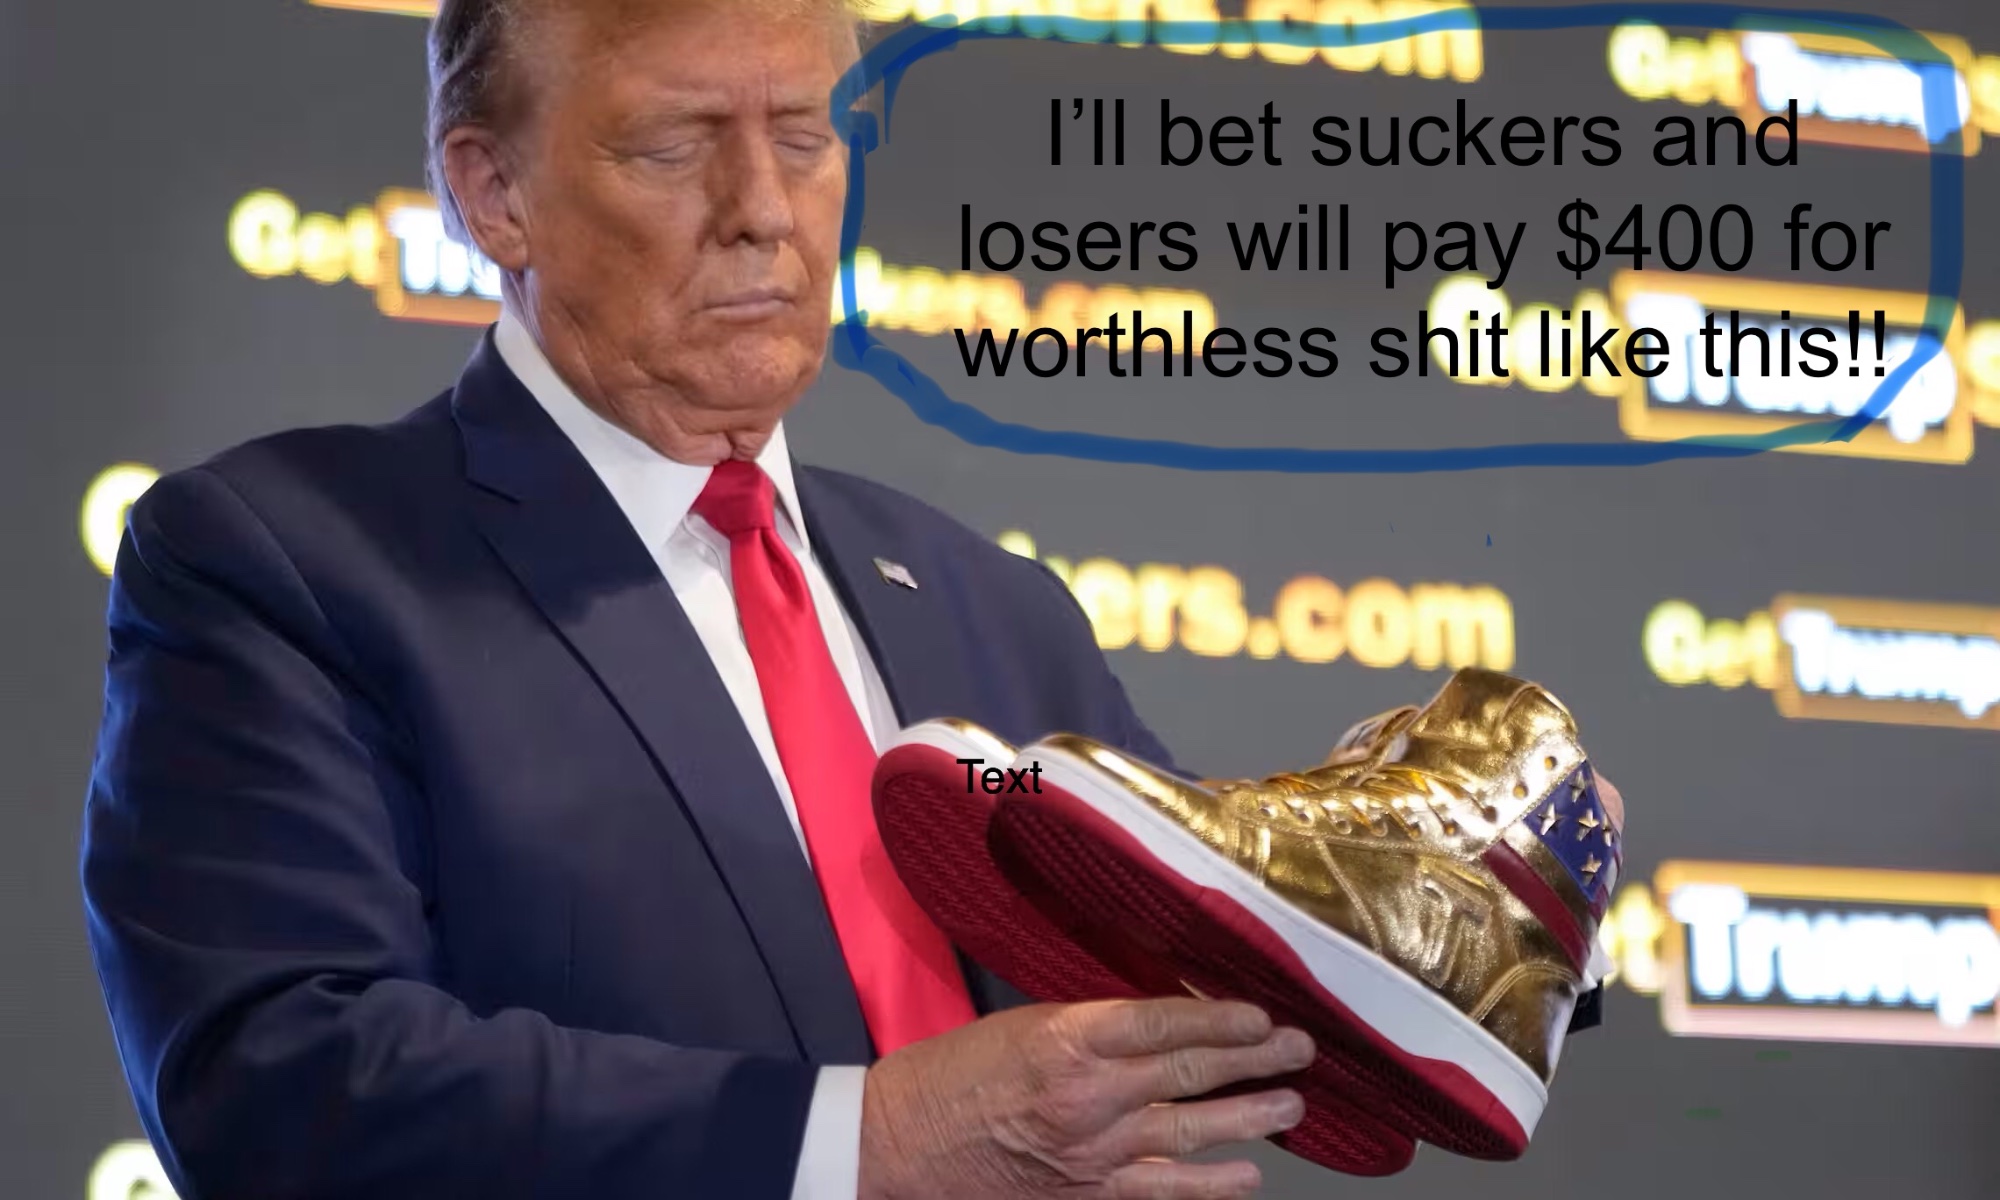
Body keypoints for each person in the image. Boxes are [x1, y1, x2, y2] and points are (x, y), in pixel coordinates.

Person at [80, 2, 1316, 1197]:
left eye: (805, 138)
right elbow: (283, 1087)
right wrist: (868, 1144)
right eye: (673, 146)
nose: (763, 211)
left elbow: (1224, 992)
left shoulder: (996, 609)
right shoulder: (291, 564)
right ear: (494, 194)